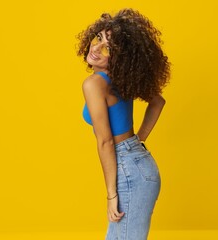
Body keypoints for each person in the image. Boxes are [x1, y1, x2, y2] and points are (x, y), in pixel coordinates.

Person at [77, 8, 170, 240]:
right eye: (98, 38)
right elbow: (157, 101)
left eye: (107, 48)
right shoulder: (120, 79)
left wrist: (111, 195)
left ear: (119, 57)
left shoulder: (94, 84)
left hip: (129, 171)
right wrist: (138, 141)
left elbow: (106, 141)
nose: (96, 48)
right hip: (136, 165)